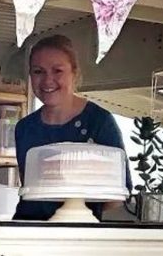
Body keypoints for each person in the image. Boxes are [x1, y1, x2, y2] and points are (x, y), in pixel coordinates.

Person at [13, 34, 132, 221]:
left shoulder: (99, 122)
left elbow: (116, 197)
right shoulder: (25, 128)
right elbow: (30, 189)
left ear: (74, 73)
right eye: (38, 71)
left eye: (57, 71)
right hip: (31, 230)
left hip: (80, 233)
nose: (47, 80)